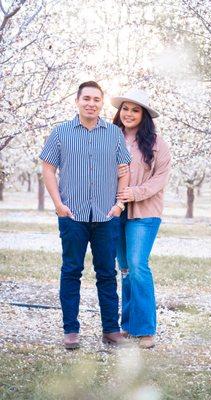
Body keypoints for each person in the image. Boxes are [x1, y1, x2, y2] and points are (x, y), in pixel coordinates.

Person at [40, 81, 131, 349]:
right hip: (72, 215)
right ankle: (71, 331)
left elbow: (123, 169)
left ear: (101, 103)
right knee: (71, 271)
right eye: (86, 98)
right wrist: (58, 204)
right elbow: (48, 168)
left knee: (106, 274)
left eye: (96, 99)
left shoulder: (114, 134)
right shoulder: (60, 133)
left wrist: (118, 205)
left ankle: (111, 330)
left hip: (106, 216)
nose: (91, 103)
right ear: (77, 101)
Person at [111, 88, 171, 349]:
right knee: (124, 268)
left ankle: (145, 329)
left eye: (135, 110)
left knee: (137, 265)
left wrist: (134, 193)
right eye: (125, 108)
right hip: (115, 211)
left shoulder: (157, 143)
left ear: (144, 115)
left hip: (145, 213)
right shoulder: (110, 137)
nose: (129, 113)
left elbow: (160, 179)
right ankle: (128, 326)